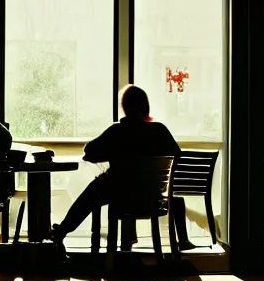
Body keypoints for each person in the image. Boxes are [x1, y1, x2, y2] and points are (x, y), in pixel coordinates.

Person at [51, 84, 195, 255]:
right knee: (176, 199)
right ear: (145, 106)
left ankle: (62, 231)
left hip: (121, 195)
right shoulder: (159, 130)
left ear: (125, 107)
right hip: (152, 196)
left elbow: (90, 150)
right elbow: (176, 156)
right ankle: (183, 240)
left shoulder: (117, 131)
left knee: (92, 193)